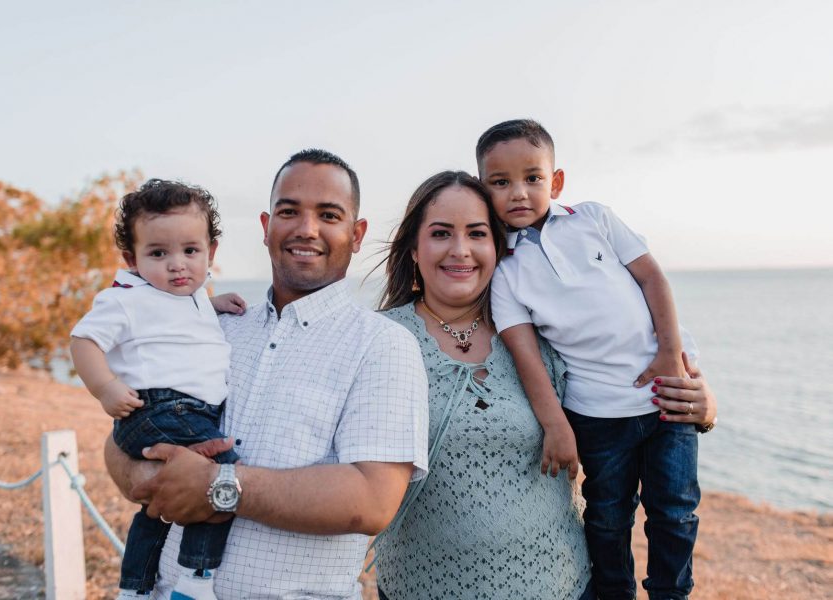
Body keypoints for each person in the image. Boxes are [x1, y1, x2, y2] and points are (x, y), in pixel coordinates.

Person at [103, 149, 430, 600]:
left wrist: (218, 486)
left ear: (356, 235)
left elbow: (372, 501)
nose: (306, 229)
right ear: (266, 225)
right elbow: (122, 438)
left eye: (329, 215)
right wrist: (152, 479)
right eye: (289, 211)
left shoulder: (382, 345)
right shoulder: (214, 326)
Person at [478, 119, 716, 600]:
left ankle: (672, 593)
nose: (518, 192)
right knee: (607, 516)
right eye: (500, 182)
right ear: (484, 191)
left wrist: (669, 354)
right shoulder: (504, 271)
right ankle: (614, 593)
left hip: (667, 396)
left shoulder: (594, 219)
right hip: (596, 413)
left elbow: (653, 280)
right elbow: (526, 357)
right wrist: (556, 426)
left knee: (674, 511)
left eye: (532, 177)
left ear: (555, 181)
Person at [372, 170, 594, 599]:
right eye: (441, 233)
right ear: (414, 249)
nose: (460, 250)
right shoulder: (378, 339)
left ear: (498, 247)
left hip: (562, 584)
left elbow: (623, 390)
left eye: (477, 233)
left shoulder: (545, 334)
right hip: (420, 589)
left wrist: (700, 404)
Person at [70, 179, 246, 600]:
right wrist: (105, 388)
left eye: (190, 251)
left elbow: (179, 319)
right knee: (223, 478)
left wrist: (213, 305)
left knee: (161, 506)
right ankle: (196, 578)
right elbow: (83, 341)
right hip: (158, 408)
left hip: (184, 413)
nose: (177, 265)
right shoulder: (126, 299)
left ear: (210, 253)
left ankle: (135, 588)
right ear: (132, 260)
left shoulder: (193, 297)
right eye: (158, 254)